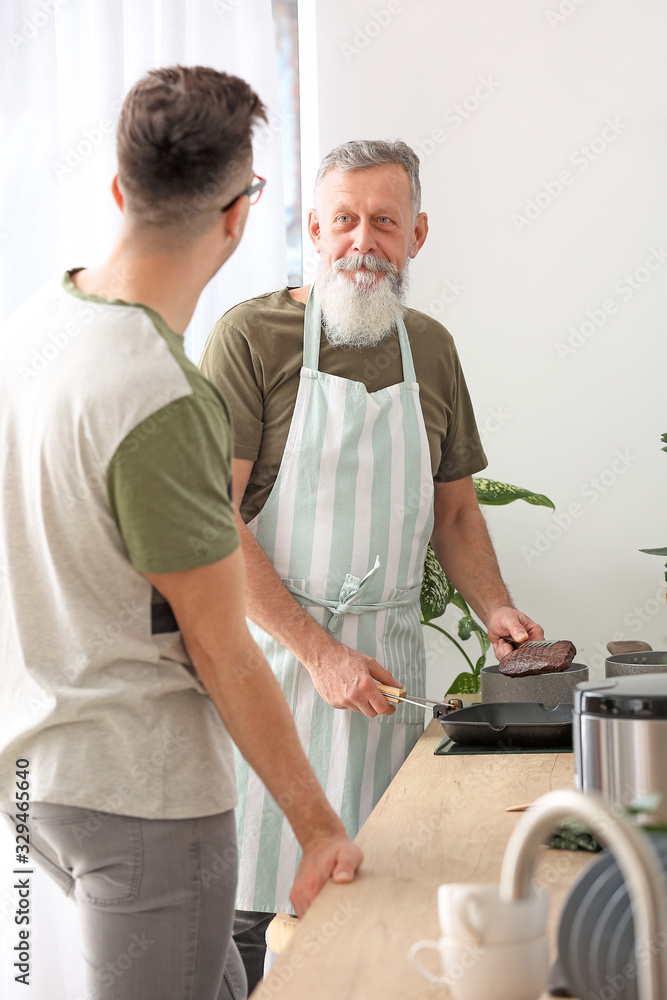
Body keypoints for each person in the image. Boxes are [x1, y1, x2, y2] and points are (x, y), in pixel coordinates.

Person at [0, 67, 362, 1000]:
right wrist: (319, 826)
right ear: (239, 215)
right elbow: (221, 649)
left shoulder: (32, 328)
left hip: (36, 770)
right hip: (143, 793)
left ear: (119, 190)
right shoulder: (159, 396)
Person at [200, 138, 545, 988]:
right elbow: (214, 522)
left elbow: (455, 510)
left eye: (383, 221)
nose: (363, 240)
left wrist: (493, 608)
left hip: (387, 676)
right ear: (313, 228)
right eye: (344, 219)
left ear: (416, 234)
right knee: (260, 918)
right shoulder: (253, 337)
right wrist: (318, 653)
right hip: (273, 670)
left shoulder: (429, 348)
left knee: (379, 911)